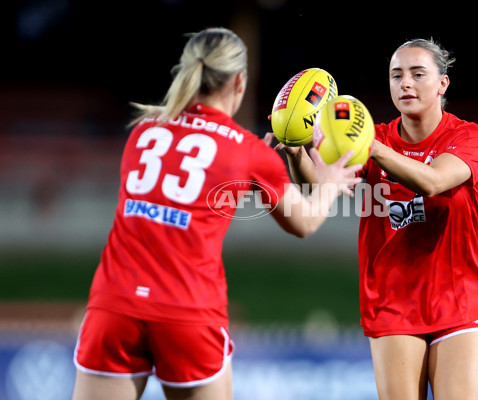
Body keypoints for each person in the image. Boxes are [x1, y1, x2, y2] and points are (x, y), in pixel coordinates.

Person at [71, 27, 362, 400]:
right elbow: (303, 223)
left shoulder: (143, 130)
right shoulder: (246, 150)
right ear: (240, 81)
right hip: (187, 310)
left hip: (115, 306)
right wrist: (329, 182)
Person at [278, 38, 478, 400]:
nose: (405, 83)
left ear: (442, 84)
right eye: (396, 75)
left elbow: (433, 181)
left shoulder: (469, 137)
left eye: (417, 73)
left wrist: (369, 147)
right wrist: (296, 153)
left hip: (457, 298)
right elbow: (318, 183)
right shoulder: (374, 135)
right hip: (392, 300)